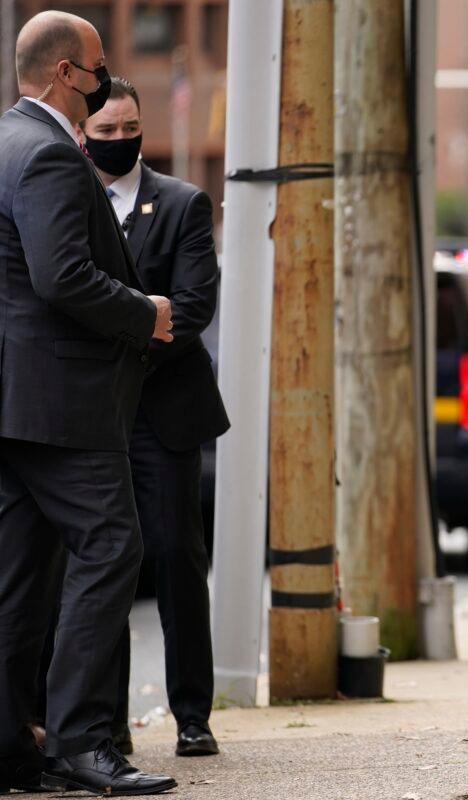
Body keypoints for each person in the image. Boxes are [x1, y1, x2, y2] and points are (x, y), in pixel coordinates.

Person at [0, 11, 177, 796]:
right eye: (98, 68)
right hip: (64, 402)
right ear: (66, 73)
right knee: (111, 549)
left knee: (20, 576)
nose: (106, 79)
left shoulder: (4, 141)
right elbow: (61, 276)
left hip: (17, 405)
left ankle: (12, 745)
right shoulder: (46, 154)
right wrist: (146, 312)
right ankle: (78, 740)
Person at [81, 77, 229, 758]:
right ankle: (104, 720)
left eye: (127, 128)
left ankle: (192, 714)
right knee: (103, 566)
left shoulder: (181, 203)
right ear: (83, 131)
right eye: (105, 132)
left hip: (163, 409)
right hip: (89, 417)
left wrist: (120, 343)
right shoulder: (69, 198)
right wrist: (142, 319)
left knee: (175, 558)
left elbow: (194, 307)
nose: (118, 141)